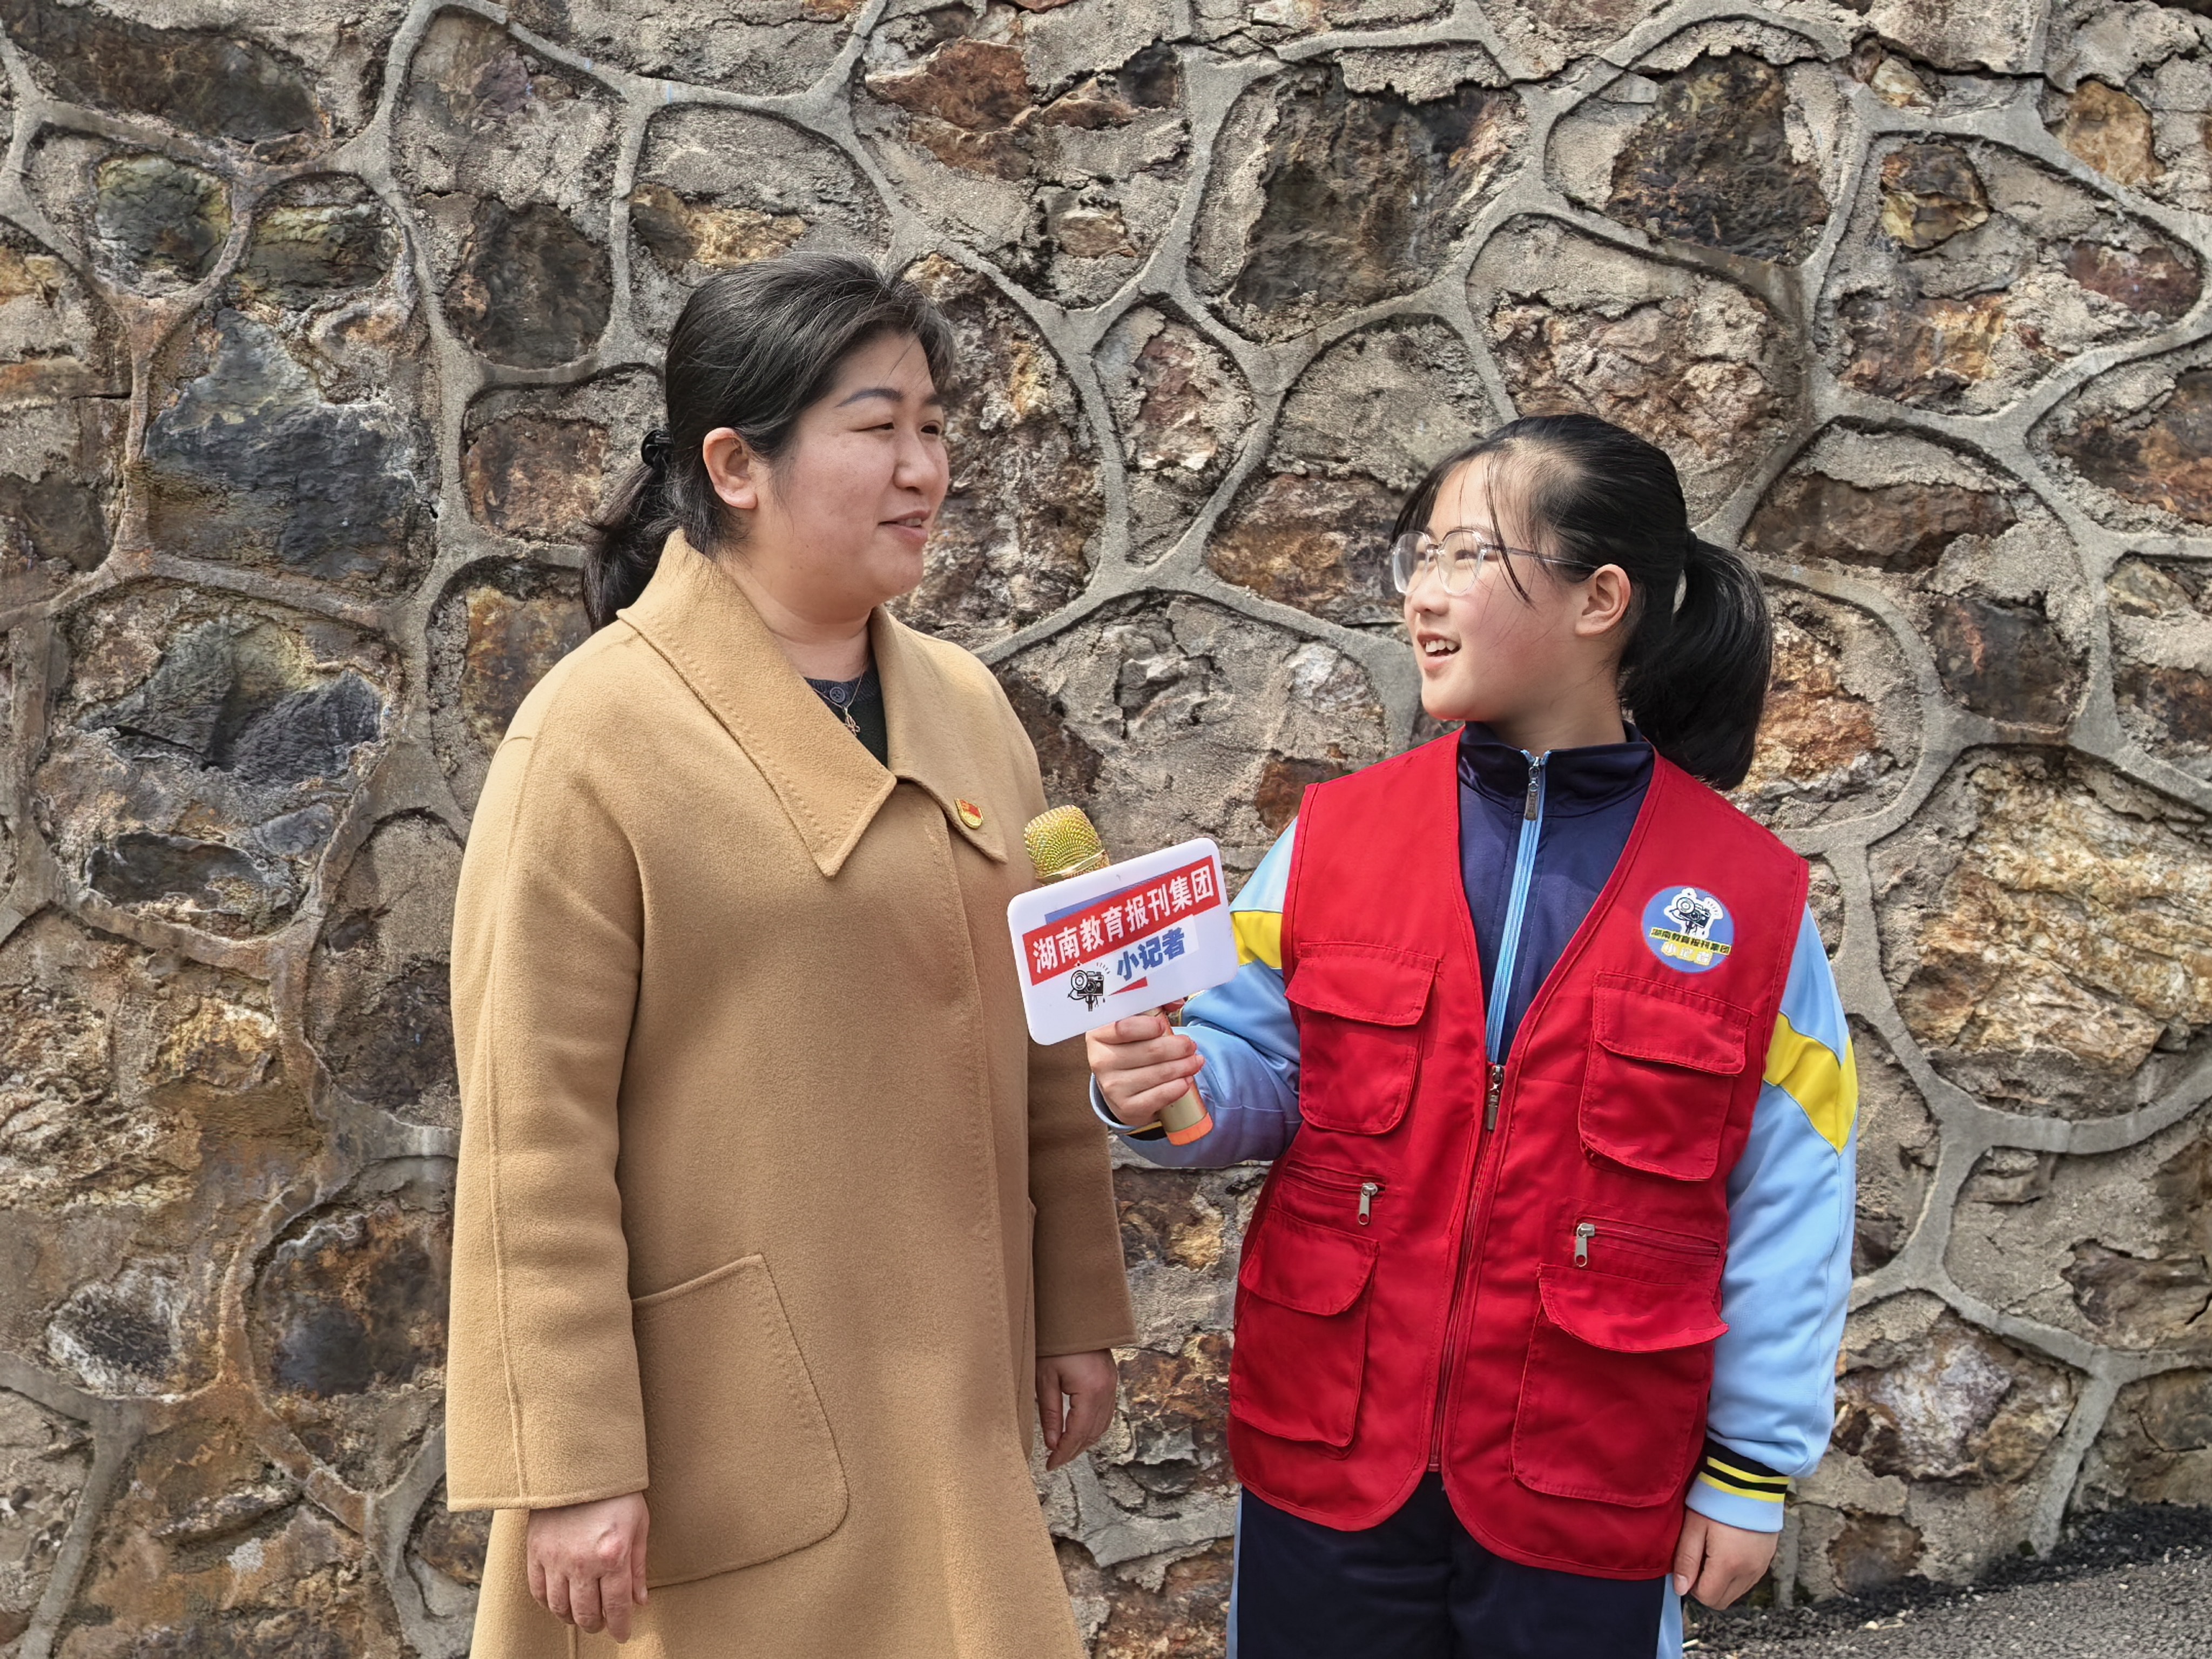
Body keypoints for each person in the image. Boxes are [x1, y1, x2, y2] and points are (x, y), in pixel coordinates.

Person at [445, 252, 1135, 1658]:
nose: (924, 469)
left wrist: (1073, 1306)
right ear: (735, 466)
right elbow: (533, 1135)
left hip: (952, 1417)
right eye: (877, 429)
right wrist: (569, 1461)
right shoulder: (592, 736)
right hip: (725, 1442)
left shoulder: (966, 706)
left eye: (933, 427)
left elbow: (1045, 1035)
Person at [1087, 414, 1857, 1659]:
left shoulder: (1747, 900)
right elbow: (1257, 1073)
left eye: (1465, 556)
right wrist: (1160, 1087)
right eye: (1420, 559)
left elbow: (1793, 1197)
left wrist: (1750, 1467)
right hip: (1333, 1454)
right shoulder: (1332, 840)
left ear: (1599, 599)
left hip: (1583, 1471)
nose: (1421, 596)